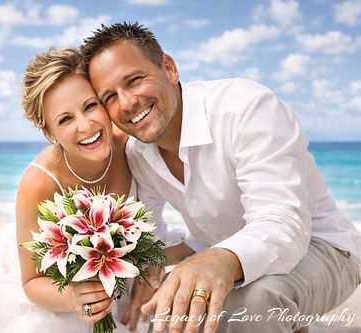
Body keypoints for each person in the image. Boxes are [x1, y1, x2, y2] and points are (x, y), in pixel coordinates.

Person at [80, 22, 361, 333]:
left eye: (134, 80)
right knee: (166, 304)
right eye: (109, 97)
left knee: (254, 301)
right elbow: (153, 232)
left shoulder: (246, 108)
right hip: (224, 248)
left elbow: (284, 222)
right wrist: (150, 267)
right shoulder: (138, 153)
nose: (127, 102)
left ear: (169, 69)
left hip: (322, 247)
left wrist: (221, 258)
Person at [0, 47, 189, 333]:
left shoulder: (128, 140)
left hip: (117, 269)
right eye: (65, 119)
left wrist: (148, 269)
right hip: (57, 278)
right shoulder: (39, 182)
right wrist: (77, 298)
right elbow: (32, 283)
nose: (86, 125)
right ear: (50, 133)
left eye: (90, 106)